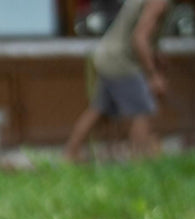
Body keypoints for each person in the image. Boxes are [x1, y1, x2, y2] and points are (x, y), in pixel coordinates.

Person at [65, 0, 170, 160]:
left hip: (107, 55)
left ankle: (70, 155)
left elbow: (143, 34)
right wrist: (153, 75)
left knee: (99, 110)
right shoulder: (158, 2)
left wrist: (155, 55)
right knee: (142, 110)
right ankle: (142, 162)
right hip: (121, 61)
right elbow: (140, 39)